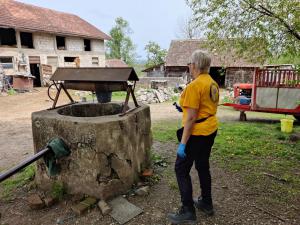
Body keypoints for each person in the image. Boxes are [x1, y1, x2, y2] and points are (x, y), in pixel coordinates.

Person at [167, 50, 219, 224]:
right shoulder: (212, 83)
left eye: (189, 63)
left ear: (195, 65)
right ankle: (206, 202)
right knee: (203, 165)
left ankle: (188, 210)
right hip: (211, 129)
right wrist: (185, 108)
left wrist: (183, 144)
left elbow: (190, 119)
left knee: (181, 169)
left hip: (197, 134)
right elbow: (203, 107)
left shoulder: (194, 86)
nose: (189, 65)